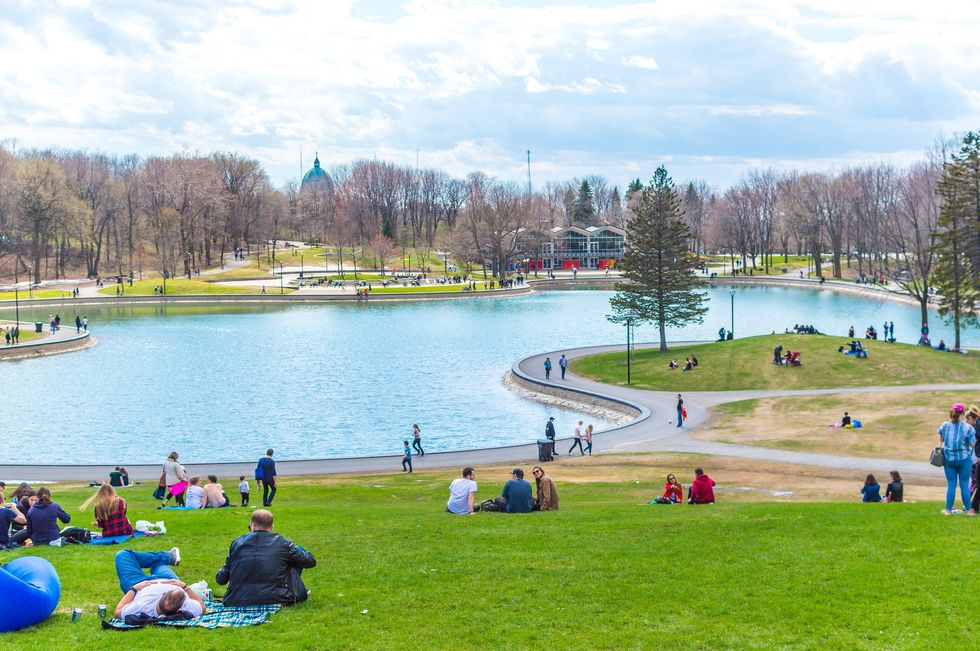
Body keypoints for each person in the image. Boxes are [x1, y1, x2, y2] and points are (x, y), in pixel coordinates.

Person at [216, 509, 317, 606]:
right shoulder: (282, 543)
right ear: (272, 526)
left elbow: (221, 579)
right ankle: (294, 588)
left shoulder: (237, 543)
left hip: (237, 598)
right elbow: (310, 561)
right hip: (278, 597)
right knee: (296, 552)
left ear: (253, 526)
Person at [112, 547, 206, 621]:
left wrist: (134, 589)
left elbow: (117, 612)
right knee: (159, 564)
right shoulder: (187, 606)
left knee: (123, 555)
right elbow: (202, 606)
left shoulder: (142, 607)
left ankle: (168, 557)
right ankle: (168, 558)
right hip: (169, 580)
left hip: (139, 583)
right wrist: (184, 586)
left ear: (163, 594)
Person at [939, 403, 976, 515]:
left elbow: (941, 439)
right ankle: (969, 510)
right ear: (963, 413)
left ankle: (948, 510)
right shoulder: (968, 428)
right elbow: (972, 444)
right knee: (964, 484)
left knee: (951, 484)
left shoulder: (945, 426)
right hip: (964, 459)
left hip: (949, 459)